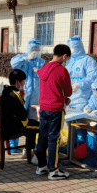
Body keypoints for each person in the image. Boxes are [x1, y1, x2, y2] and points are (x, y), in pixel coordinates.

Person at [35, 44, 72, 180]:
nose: (66, 60)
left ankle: (41, 166)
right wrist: (65, 98)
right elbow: (68, 91)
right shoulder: (62, 70)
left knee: (42, 137)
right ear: (64, 56)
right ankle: (53, 169)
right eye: (66, 58)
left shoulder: (44, 68)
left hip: (43, 108)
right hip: (56, 109)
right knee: (53, 139)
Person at [9, 38, 45, 150]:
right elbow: (14, 64)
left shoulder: (41, 62)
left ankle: (31, 146)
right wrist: (26, 58)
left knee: (33, 121)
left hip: (35, 96)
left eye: (37, 49)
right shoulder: (22, 59)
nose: (35, 50)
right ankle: (13, 145)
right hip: (23, 94)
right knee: (18, 119)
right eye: (33, 48)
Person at [65, 35, 97, 147]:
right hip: (69, 98)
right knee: (69, 126)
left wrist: (80, 85)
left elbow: (93, 77)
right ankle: (71, 148)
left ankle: (80, 150)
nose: (71, 50)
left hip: (82, 99)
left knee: (80, 126)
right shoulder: (68, 61)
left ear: (79, 47)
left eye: (73, 47)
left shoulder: (88, 61)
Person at [1, 69, 39, 156]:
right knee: (39, 126)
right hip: (13, 126)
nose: (24, 84)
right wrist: (21, 100)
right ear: (18, 82)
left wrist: (21, 99)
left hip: (4, 124)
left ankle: (28, 150)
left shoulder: (6, 91)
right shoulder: (15, 95)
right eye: (23, 81)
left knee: (32, 124)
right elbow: (23, 115)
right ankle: (30, 151)